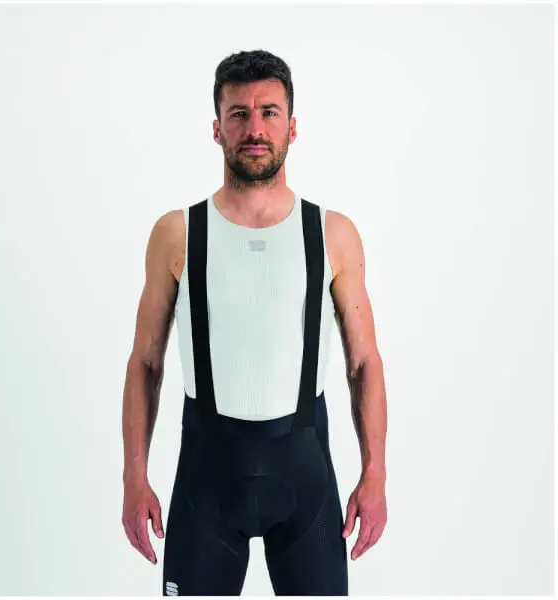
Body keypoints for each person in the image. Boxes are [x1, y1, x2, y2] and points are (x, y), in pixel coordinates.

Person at [121, 49, 388, 596]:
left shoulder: (332, 234)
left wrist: (375, 472)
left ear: (292, 126)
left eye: (269, 112)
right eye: (238, 114)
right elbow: (145, 363)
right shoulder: (178, 233)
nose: (255, 129)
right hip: (206, 481)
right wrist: (134, 475)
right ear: (216, 128)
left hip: (305, 477)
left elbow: (363, 363)